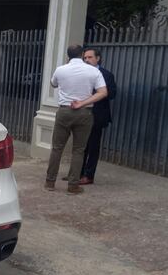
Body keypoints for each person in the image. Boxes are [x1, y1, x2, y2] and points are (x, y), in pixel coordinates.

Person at [45, 44, 108, 194]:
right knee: (79, 150)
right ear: (82, 55)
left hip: (64, 111)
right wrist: (83, 102)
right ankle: (73, 185)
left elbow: (53, 83)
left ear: (68, 56)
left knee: (57, 148)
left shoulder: (61, 69)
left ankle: (50, 182)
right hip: (84, 112)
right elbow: (103, 92)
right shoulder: (93, 71)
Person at [80, 48, 117, 185]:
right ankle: (78, 172)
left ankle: (89, 175)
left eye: (90, 57)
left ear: (98, 58)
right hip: (82, 114)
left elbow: (112, 94)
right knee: (81, 145)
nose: (87, 60)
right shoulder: (82, 73)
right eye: (85, 58)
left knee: (93, 146)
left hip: (97, 115)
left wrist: (97, 93)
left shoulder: (106, 75)